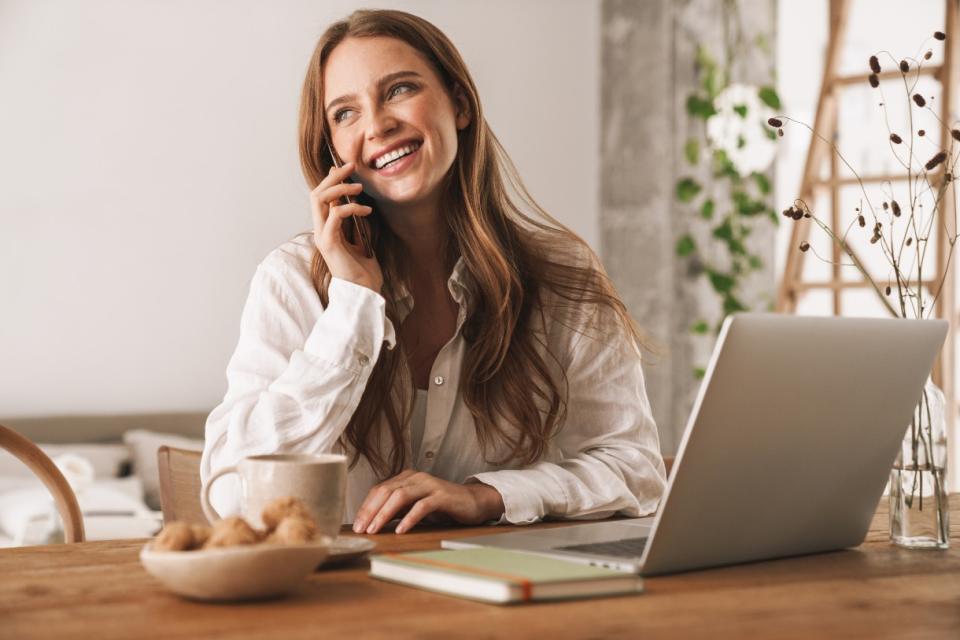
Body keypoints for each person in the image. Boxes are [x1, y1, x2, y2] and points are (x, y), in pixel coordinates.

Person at [200, 8, 666, 535]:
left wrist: (486, 496)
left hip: (506, 595)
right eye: (345, 113)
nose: (377, 125)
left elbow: (636, 470)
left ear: (460, 103)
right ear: (331, 148)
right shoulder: (292, 282)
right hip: (341, 604)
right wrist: (353, 303)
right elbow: (233, 493)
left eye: (399, 90)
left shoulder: (563, 275)